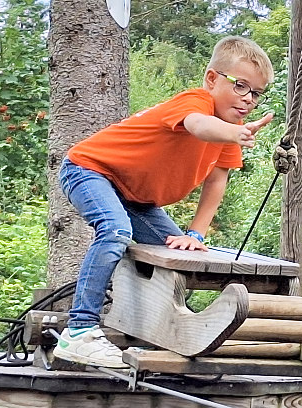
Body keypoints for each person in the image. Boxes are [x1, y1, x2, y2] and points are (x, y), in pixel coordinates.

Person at [53, 36, 275, 368]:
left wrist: (195, 234)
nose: (248, 99)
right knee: (114, 230)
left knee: (179, 255)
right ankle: (80, 331)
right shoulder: (196, 103)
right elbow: (198, 126)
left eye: (256, 93)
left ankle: (154, 331)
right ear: (212, 79)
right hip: (89, 169)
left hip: (135, 197)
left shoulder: (231, 127)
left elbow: (217, 181)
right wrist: (233, 134)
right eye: (240, 86)